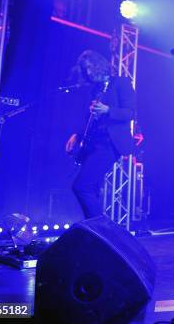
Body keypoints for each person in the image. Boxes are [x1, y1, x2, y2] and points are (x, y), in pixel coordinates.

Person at [65, 50, 136, 219]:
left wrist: (108, 110)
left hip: (110, 144)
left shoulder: (120, 82)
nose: (88, 73)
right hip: (92, 144)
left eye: (90, 67)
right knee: (92, 190)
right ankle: (96, 233)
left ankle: (101, 228)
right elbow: (88, 118)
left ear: (99, 65)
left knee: (81, 186)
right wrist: (77, 134)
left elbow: (130, 112)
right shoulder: (94, 90)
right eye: (85, 69)